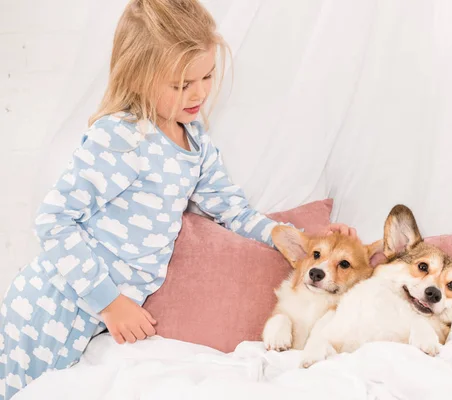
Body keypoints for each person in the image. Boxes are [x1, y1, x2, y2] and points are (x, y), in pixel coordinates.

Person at [0, 1, 357, 398]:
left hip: (89, 319)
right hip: (51, 305)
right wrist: (110, 302)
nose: (200, 92)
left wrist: (296, 238)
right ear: (138, 77)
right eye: (181, 85)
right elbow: (55, 220)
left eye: (206, 76)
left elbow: (232, 210)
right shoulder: (121, 137)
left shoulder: (196, 142)